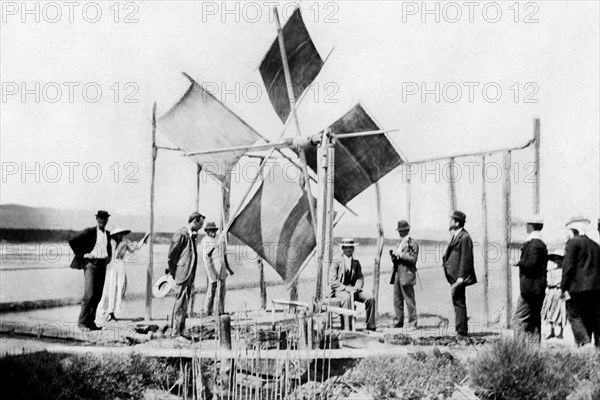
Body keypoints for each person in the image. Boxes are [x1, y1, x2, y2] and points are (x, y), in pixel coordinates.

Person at [68, 210, 112, 331]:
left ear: (107, 220)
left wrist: (109, 258)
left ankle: (91, 322)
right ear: (97, 219)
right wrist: (84, 254)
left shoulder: (107, 234)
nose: (103, 221)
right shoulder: (90, 231)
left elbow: (109, 248)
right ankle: (82, 323)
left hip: (102, 265)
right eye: (101, 219)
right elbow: (72, 241)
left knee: (98, 295)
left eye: (105, 219)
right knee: (89, 294)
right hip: (91, 265)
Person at [561, 216, 600, 347]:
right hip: (594, 289)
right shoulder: (595, 245)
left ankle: (584, 343)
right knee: (588, 317)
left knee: (574, 314)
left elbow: (568, 267)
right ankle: (588, 345)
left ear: (573, 229)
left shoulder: (572, 243)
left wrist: (563, 288)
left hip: (577, 289)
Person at [167, 211, 205, 338]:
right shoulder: (181, 234)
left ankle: (180, 331)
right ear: (194, 221)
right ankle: (176, 332)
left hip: (188, 274)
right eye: (200, 224)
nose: (201, 227)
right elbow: (172, 256)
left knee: (184, 303)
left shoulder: (191, 235)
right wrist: (174, 273)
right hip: (182, 273)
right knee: (180, 302)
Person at [99, 228, 150, 321]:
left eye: (122, 233)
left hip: (120, 266)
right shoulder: (110, 242)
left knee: (119, 288)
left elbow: (135, 248)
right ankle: (106, 312)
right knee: (109, 289)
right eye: (119, 234)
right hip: (111, 266)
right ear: (115, 234)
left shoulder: (125, 241)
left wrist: (144, 239)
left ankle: (113, 312)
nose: (121, 235)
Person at [511, 215, 548, 343]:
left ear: (531, 226)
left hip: (530, 289)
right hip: (537, 288)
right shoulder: (540, 243)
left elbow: (532, 263)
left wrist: (518, 262)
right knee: (534, 320)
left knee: (518, 319)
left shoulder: (534, 244)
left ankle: (519, 351)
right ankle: (534, 351)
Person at [329, 238, 377, 331]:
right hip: (340, 290)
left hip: (354, 290)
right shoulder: (336, 262)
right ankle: (347, 327)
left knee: (370, 298)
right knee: (346, 298)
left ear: (353, 249)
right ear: (342, 249)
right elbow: (333, 282)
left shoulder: (356, 262)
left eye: (350, 247)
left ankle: (371, 325)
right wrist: (346, 288)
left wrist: (357, 287)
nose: (348, 250)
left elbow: (360, 278)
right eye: (346, 248)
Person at [442, 211, 477, 337]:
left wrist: (461, 277)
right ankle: (460, 329)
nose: (449, 222)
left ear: (457, 222)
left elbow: (466, 258)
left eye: (452, 220)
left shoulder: (465, 237)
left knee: (459, 302)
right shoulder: (457, 235)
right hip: (454, 276)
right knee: (457, 300)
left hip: (458, 277)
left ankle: (461, 331)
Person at [390, 220, 420, 328]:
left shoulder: (413, 244)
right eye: (400, 230)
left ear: (408, 230)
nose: (401, 232)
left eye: (403, 230)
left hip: (407, 274)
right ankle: (398, 322)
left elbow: (413, 259)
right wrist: (394, 257)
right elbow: (398, 258)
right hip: (397, 272)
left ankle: (412, 323)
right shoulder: (399, 243)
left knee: (409, 299)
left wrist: (401, 255)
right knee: (397, 299)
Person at [201, 222, 229, 316]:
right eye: (211, 230)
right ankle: (207, 311)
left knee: (222, 290)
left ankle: (220, 311)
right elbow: (206, 259)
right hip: (212, 267)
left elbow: (223, 254)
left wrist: (227, 268)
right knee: (211, 290)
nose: (213, 232)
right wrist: (211, 272)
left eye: (214, 230)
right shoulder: (205, 241)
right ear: (207, 231)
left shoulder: (219, 239)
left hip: (221, 266)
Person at [541, 248, 567, 339]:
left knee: (562, 311)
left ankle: (561, 333)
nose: (557, 261)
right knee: (550, 310)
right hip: (552, 292)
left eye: (559, 259)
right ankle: (551, 331)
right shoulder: (551, 270)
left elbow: (565, 283)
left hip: (561, 292)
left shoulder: (564, 271)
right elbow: (548, 281)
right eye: (555, 259)